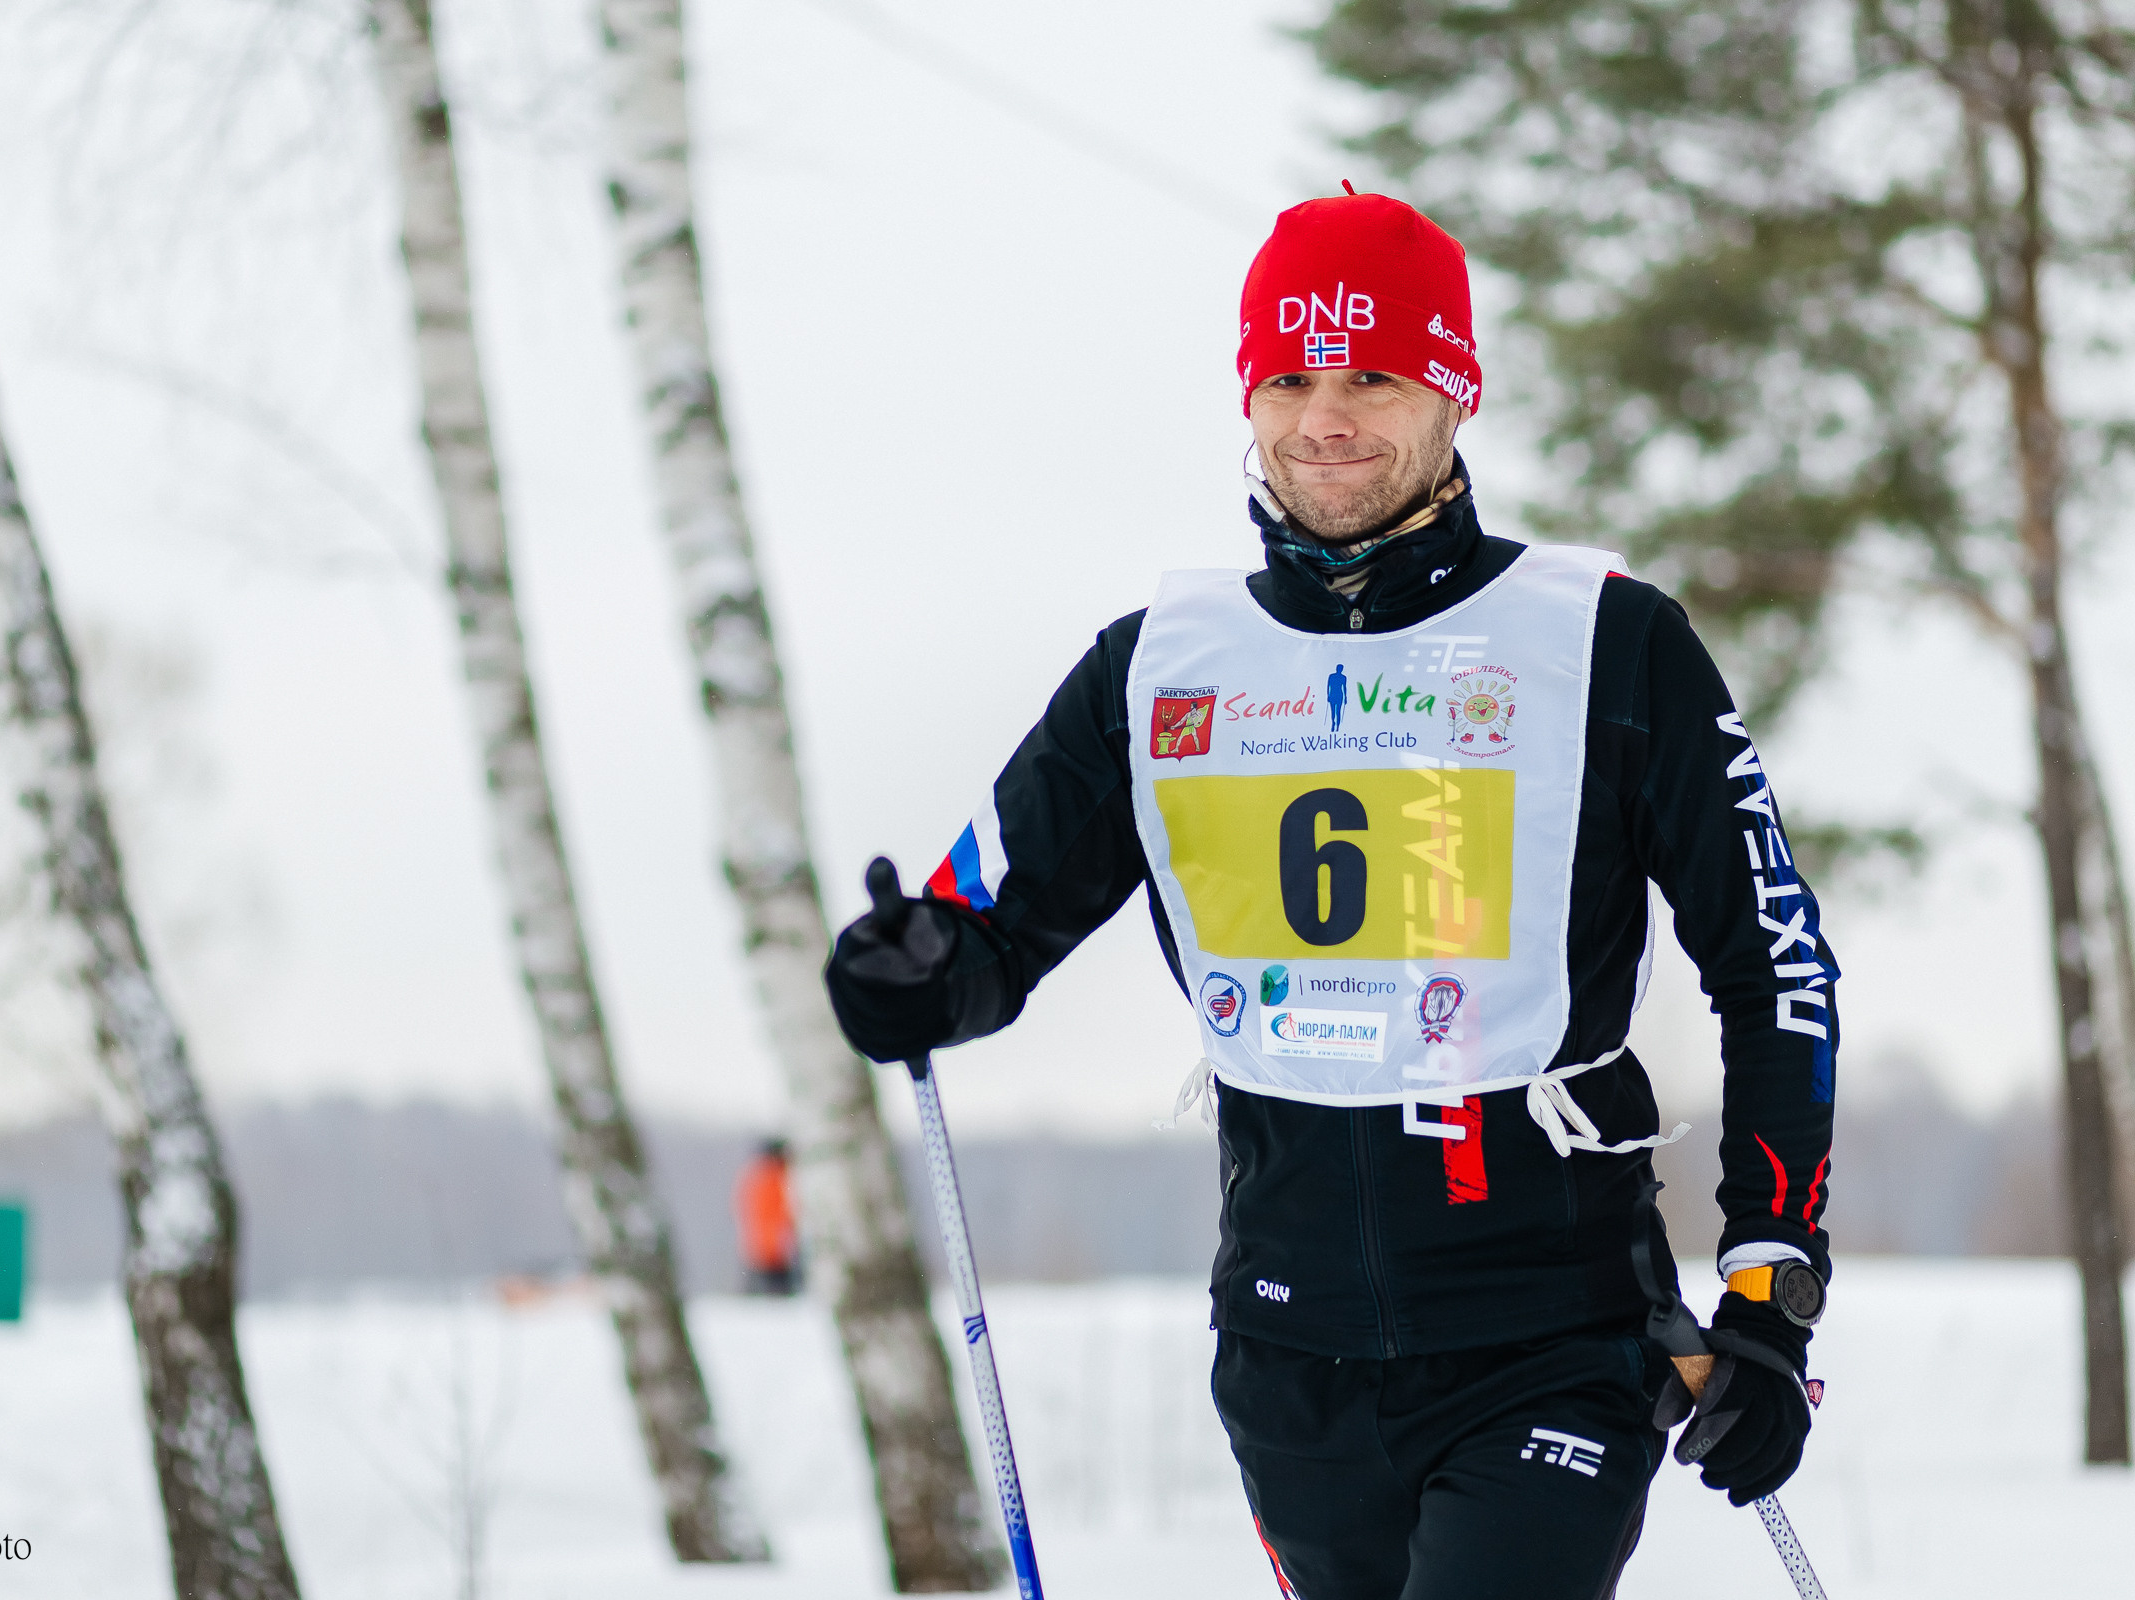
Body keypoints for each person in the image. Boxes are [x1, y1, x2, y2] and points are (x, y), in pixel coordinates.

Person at [825, 192, 1836, 1600]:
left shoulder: (1603, 642)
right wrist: (906, 971)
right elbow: (981, 932)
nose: (1326, 419)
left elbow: (1774, 963)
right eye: (1290, 379)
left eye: (1372, 374)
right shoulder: (1161, 666)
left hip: (1551, 1332)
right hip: (1290, 1354)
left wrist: (1772, 1286)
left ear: (1454, 391)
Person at [734, 1137, 799, 1296]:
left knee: (759, 1298)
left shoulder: (752, 1176)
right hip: (778, 1248)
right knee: (779, 1298)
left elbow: (739, 1207)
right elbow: (789, 1209)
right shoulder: (778, 1177)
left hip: (754, 1247)